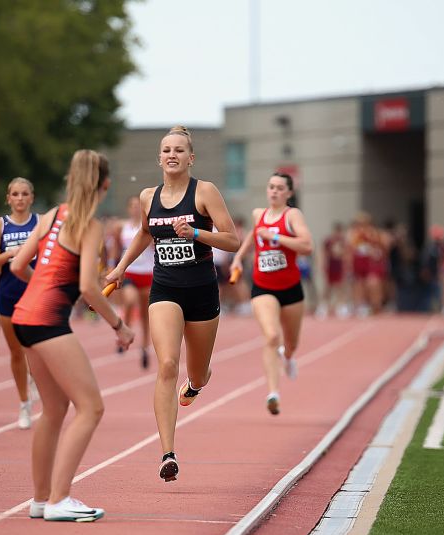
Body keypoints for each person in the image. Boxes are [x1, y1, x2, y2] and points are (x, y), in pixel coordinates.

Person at [106, 126, 239, 483]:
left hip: (202, 289)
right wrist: (120, 267)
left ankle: (197, 383)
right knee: (167, 364)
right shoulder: (149, 196)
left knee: (196, 372)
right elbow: (146, 233)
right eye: (166, 150)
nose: (172, 155)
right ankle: (168, 452)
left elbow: (232, 240)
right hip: (165, 289)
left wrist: (195, 233)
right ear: (159, 157)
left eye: (179, 150)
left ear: (190, 158)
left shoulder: (205, 192)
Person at [12, 149, 134, 522]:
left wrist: (42, 288)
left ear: (70, 180)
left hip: (24, 316)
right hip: (48, 321)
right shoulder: (90, 225)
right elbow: (88, 287)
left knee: (53, 410)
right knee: (91, 407)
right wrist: (119, 325)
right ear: (105, 185)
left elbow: (18, 265)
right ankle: (59, 498)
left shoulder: (51, 215)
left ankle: (40, 498)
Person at [230, 172, 313, 417]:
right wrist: (238, 257)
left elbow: (307, 246)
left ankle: (287, 357)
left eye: (279, 188)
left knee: (291, 343)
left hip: (290, 289)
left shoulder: (292, 216)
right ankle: (273, 393)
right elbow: (253, 237)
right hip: (263, 287)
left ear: (289, 193)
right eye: (271, 187)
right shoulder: (259, 215)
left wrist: (276, 236)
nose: (274, 191)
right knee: (271, 336)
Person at [0, 178, 39, 429]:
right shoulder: (0, 225)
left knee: (37, 349)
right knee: (17, 352)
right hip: (8, 293)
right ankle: (24, 404)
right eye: (15, 194)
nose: (19, 198)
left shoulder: (40, 223)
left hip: (36, 294)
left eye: (24, 194)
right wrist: (10, 254)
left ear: (31, 197)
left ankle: (36, 381)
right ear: (8, 198)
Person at [112, 195, 154, 368]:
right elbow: (115, 251)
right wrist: (113, 268)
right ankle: (125, 330)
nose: (136, 208)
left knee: (145, 315)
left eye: (139, 206)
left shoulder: (150, 227)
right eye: (133, 205)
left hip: (148, 273)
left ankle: (144, 348)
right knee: (129, 301)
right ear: (128, 208)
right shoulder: (121, 228)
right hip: (130, 272)